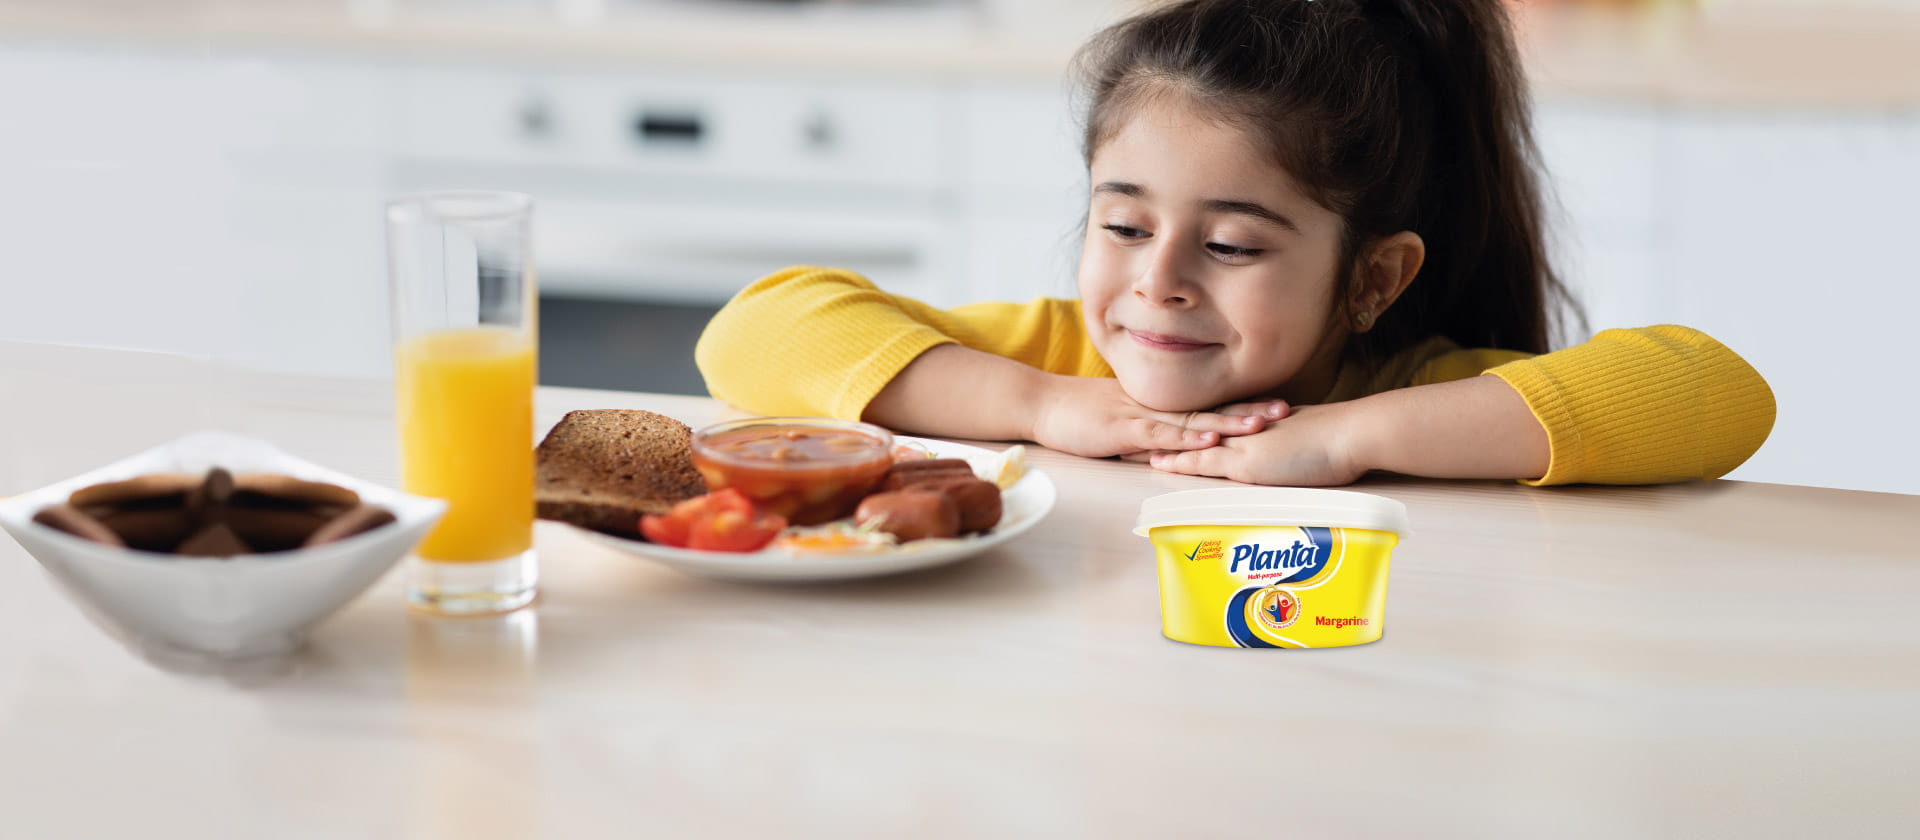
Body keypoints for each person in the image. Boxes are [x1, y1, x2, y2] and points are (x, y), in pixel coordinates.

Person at [695, 0, 1774, 487]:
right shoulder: (1056, 358)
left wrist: (1343, 439)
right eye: (1124, 225)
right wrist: (1045, 407)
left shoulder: (1412, 390)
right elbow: (753, 332)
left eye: (1234, 248)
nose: (1155, 284)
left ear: (1373, 278)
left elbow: (1720, 394)